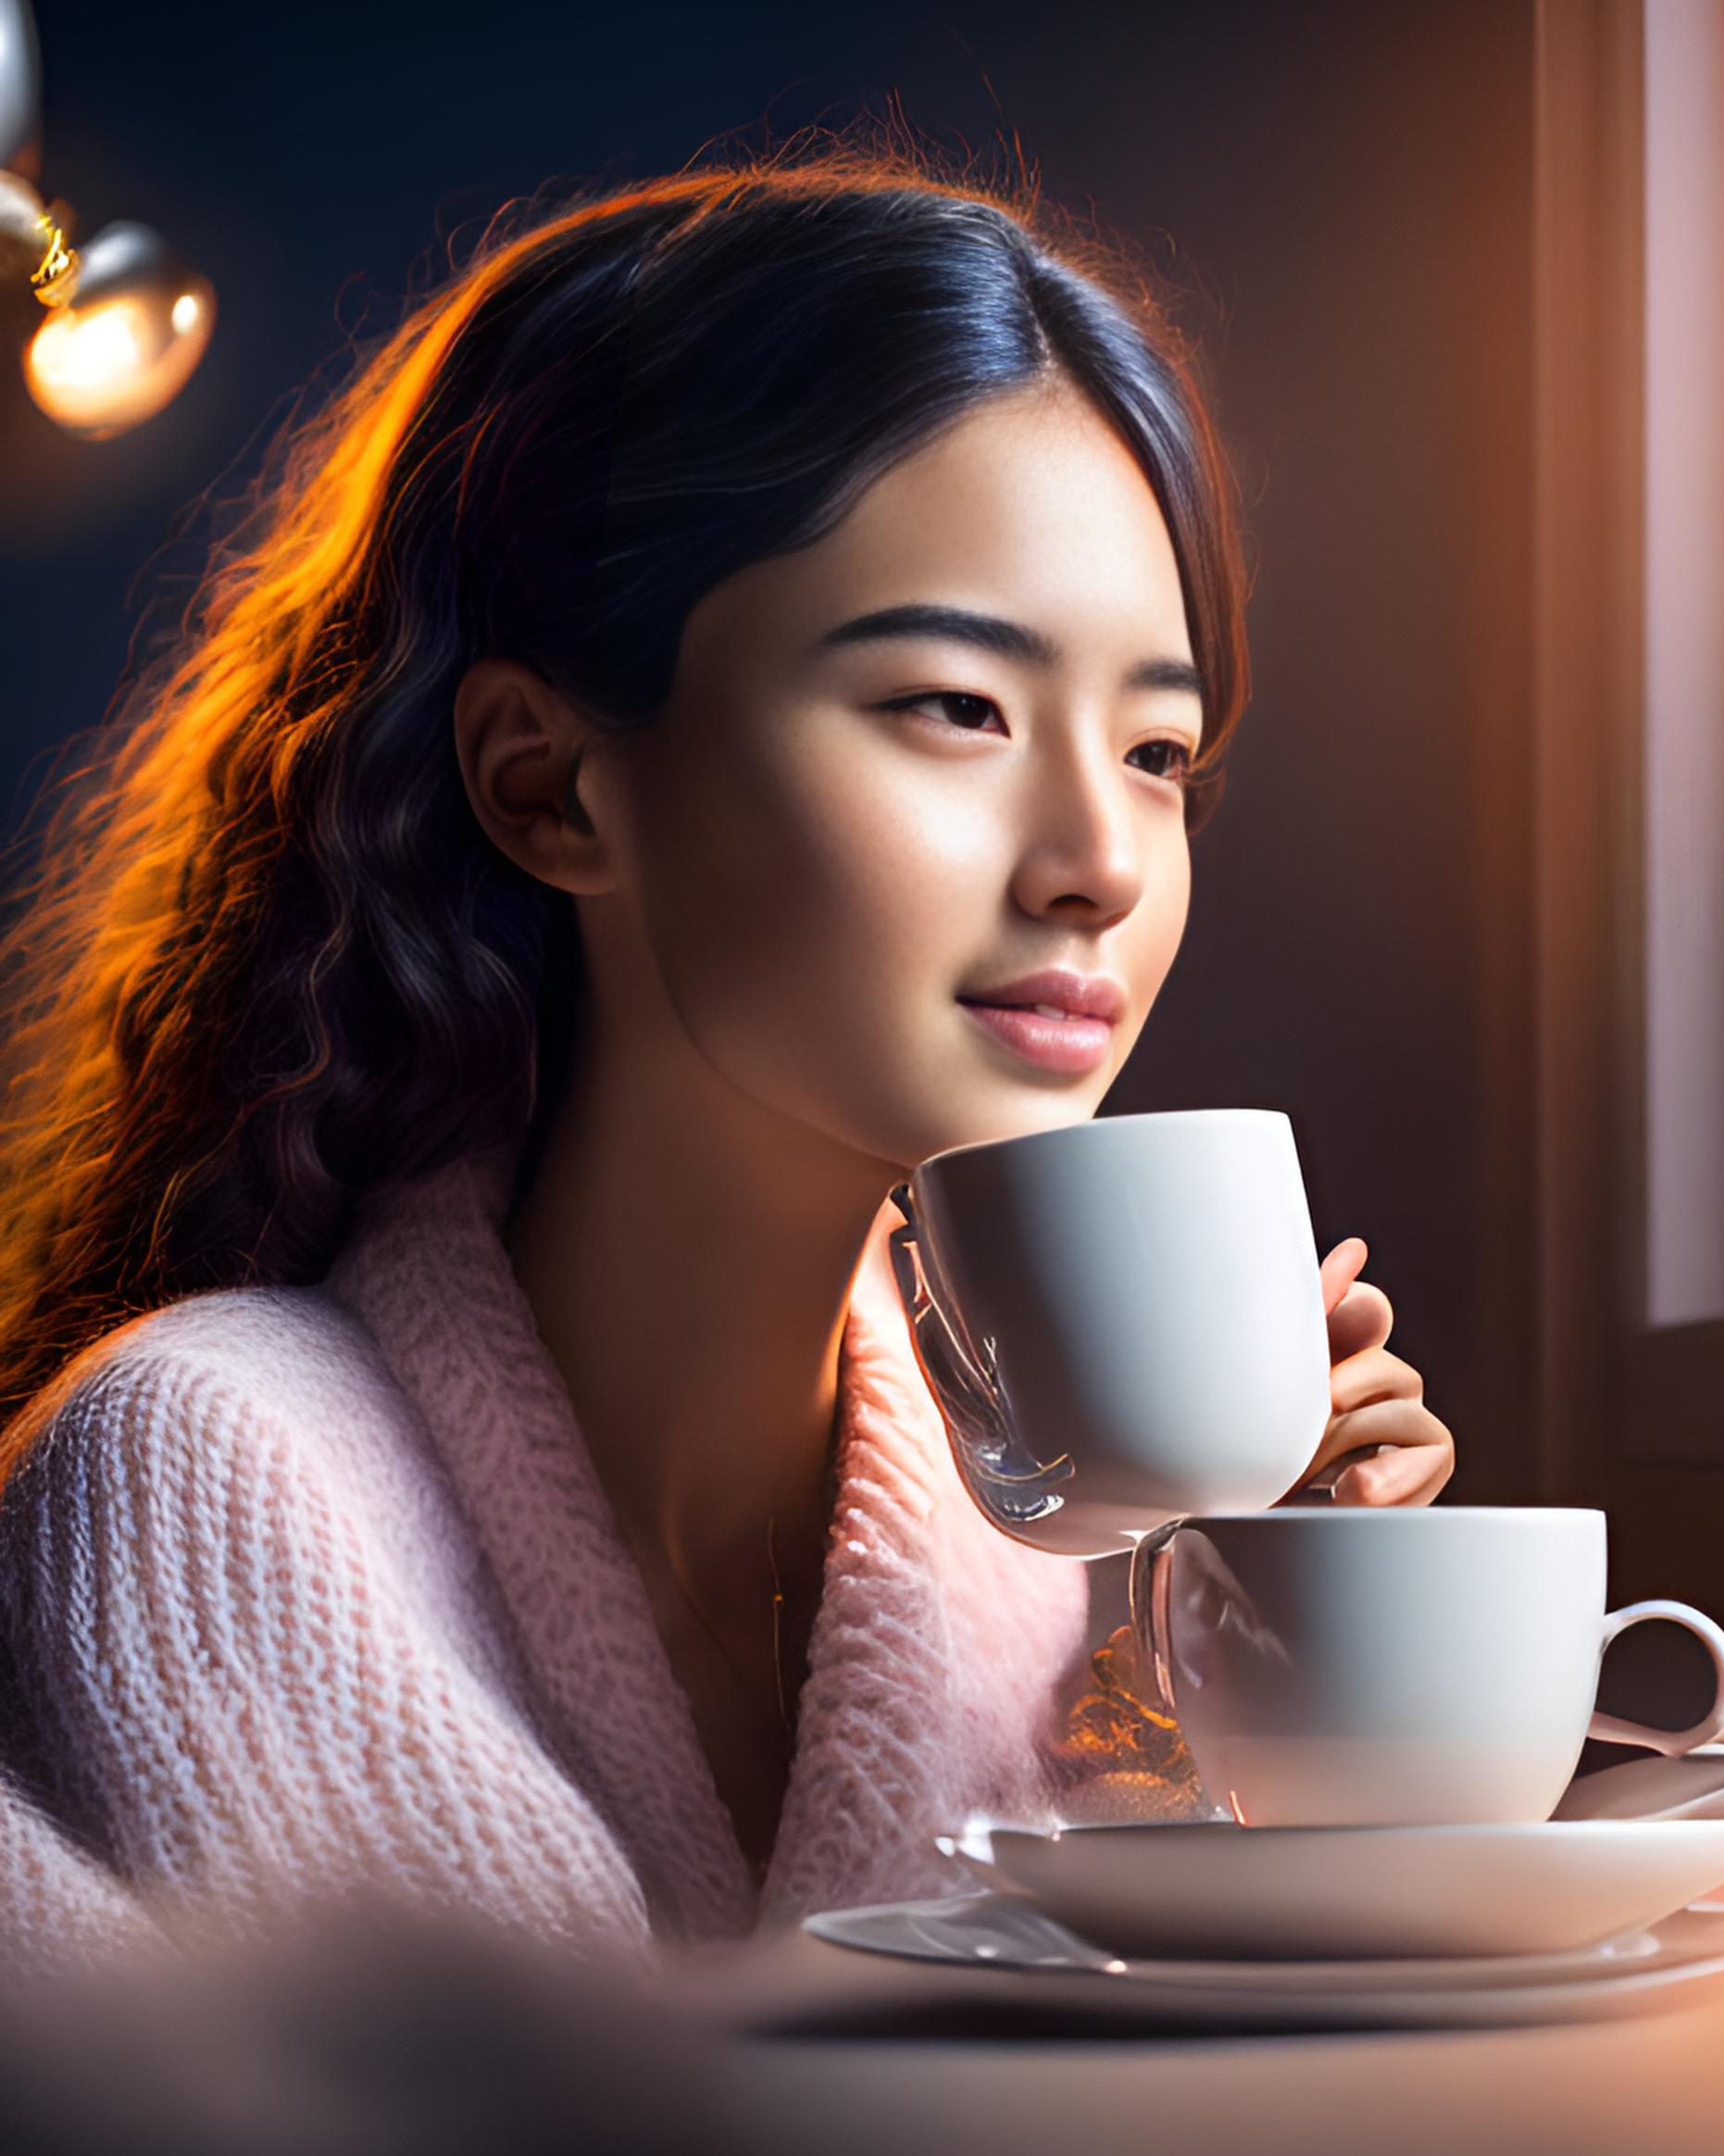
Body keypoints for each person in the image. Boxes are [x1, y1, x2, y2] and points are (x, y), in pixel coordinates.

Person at [0, 138, 1454, 1962]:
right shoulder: (204, 1476)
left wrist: (1269, 1681)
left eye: (1159, 755)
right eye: (952, 707)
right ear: (549, 783)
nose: (1097, 863)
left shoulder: (1060, 1592)